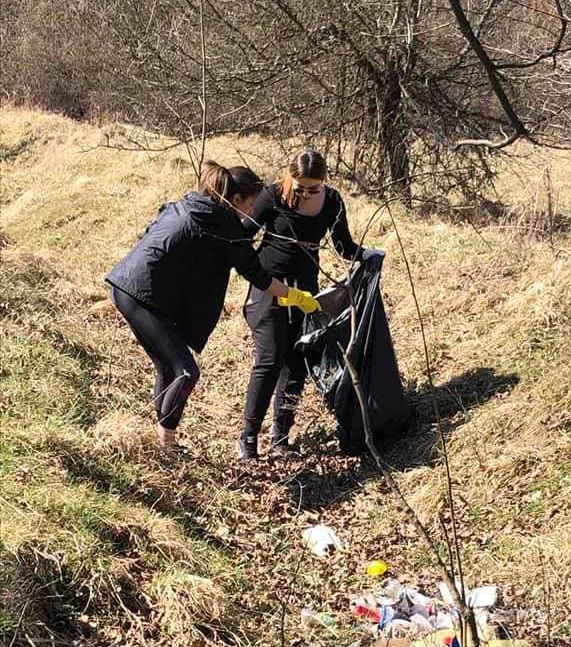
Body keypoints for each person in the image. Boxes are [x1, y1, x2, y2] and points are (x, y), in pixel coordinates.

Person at [105, 160, 318, 450]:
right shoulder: (222, 226)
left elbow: (151, 234)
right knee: (185, 372)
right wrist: (295, 297)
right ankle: (166, 442)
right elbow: (258, 275)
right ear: (236, 199)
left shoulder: (193, 205)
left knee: (168, 368)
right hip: (141, 295)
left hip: (127, 285)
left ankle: (161, 443)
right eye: (251, 204)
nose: (253, 211)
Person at [237, 150, 382, 460]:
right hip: (269, 286)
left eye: (313, 189)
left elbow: (343, 244)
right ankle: (248, 438)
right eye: (299, 187)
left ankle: (280, 436)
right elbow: (242, 237)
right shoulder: (273, 195)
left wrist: (368, 256)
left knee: (297, 361)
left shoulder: (331, 202)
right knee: (270, 357)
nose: (304, 193)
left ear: (325, 183)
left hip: (305, 289)